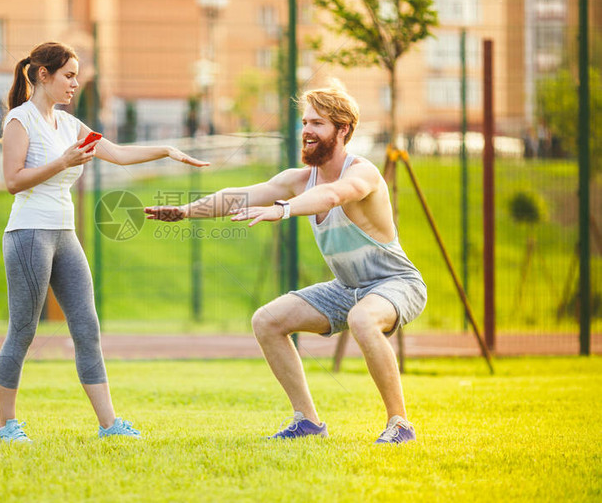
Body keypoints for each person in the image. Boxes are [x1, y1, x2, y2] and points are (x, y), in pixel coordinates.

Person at [144, 81, 426, 444]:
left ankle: (400, 424)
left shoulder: (363, 173)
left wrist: (284, 210)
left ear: (343, 130)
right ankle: (308, 422)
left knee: (362, 319)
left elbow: (335, 194)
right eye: (305, 122)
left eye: (318, 124)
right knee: (267, 321)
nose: (307, 130)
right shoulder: (298, 180)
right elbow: (237, 197)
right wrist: (184, 211)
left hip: (396, 283)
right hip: (347, 288)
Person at [0, 41, 208, 442]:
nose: (75, 84)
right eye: (69, 76)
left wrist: (167, 150)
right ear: (44, 75)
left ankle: (109, 425)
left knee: (87, 326)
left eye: (78, 77)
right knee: (23, 329)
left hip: (64, 235)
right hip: (28, 234)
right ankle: (6, 426)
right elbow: (12, 181)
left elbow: (119, 154)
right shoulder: (19, 122)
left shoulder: (71, 126)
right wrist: (62, 162)